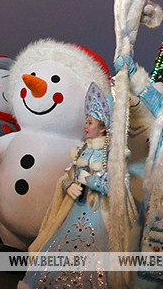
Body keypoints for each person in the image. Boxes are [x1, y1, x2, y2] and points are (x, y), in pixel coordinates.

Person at [20, 83, 111, 289]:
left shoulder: (110, 154)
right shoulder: (82, 150)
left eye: (90, 122)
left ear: (103, 127)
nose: (85, 126)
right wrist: (69, 184)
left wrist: (90, 181)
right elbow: (68, 176)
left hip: (97, 216)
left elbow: (113, 186)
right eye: (86, 122)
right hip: (73, 213)